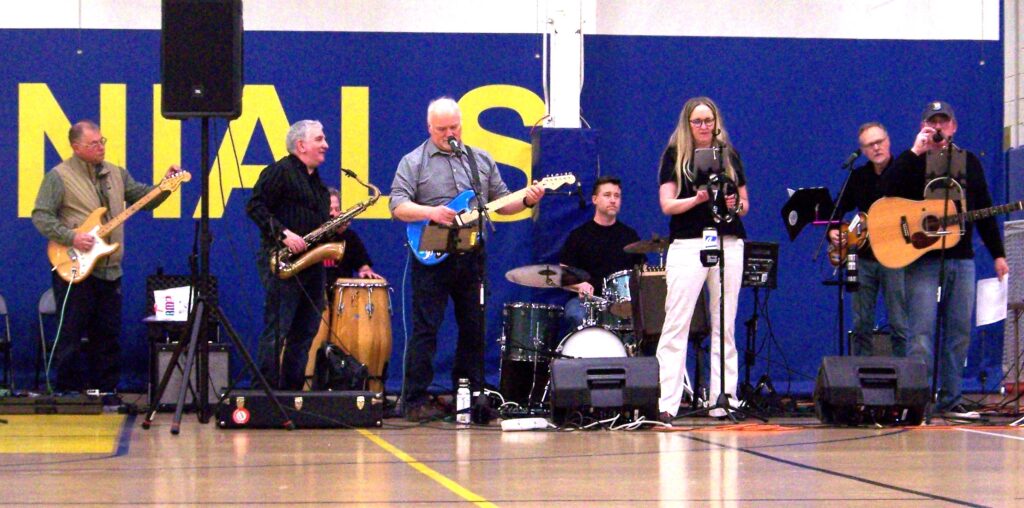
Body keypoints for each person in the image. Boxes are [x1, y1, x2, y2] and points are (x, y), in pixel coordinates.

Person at [390, 97, 545, 422]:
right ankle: (415, 398)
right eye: (442, 129)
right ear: (429, 128)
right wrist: (431, 211)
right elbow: (397, 205)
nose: (450, 134)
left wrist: (527, 200)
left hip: (470, 250)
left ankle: (470, 396)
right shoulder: (414, 161)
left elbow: (501, 204)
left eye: (454, 127)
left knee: (473, 327)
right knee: (425, 328)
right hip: (431, 247)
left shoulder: (479, 160)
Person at [31, 120, 181, 395]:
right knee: (71, 335)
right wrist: (71, 237)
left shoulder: (116, 173)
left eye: (102, 141)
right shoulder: (58, 176)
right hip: (74, 266)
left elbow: (144, 199)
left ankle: (107, 391)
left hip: (110, 269)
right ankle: (69, 393)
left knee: (108, 335)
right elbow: (41, 216)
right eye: (93, 144)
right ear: (76, 147)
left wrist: (166, 185)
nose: (100, 147)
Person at [881, 101, 1009, 419]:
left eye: (944, 122)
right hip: (923, 257)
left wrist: (998, 254)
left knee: (959, 331)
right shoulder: (912, 161)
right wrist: (915, 151)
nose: (939, 127)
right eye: (932, 121)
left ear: (953, 126)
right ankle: (916, 399)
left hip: (961, 257)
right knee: (920, 331)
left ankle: (951, 398)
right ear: (924, 125)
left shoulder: (969, 163)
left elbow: (985, 209)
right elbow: (887, 191)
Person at [656, 97, 750, 422]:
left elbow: (744, 204)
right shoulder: (675, 156)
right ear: (687, 124)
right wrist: (695, 198)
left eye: (708, 120)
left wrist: (733, 201)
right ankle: (667, 401)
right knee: (677, 322)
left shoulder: (729, 155)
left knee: (725, 322)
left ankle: (724, 397)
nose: (704, 127)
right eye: (697, 121)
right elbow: (667, 205)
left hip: (727, 239)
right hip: (689, 240)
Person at [246, 119, 332, 391]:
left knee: (305, 331)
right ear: (301, 145)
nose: (326, 145)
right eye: (319, 139)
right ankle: (265, 393)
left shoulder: (317, 183)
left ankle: (292, 393)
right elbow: (255, 206)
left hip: (311, 263)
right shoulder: (279, 171)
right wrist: (283, 233)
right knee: (278, 330)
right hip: (282, 259)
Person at [829, 122, 909, 357]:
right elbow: (838, 208)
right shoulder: (858, 176)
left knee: (898, 322)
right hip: (863, 257)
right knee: (862, 322)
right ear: (862, 151)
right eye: (869, 145)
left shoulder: (904, 171)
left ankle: (904, 380)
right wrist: (833, 229)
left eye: (879, 142)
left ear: (888, 141)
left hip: (895, 258)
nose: (876, 148)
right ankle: (861, 376)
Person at [559, 176, 645, 330]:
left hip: (622, 303)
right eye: (607, 195)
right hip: (586, 302)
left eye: (616, 196)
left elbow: (642, 271)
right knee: (576, 314)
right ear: (594, 199)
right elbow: (561, 276)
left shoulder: (630, 236)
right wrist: (579, 286)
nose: (613, 200)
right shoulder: (578, 236)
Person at [323, 187, 381, 284]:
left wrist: (366, 271)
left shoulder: (350, 236)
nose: (333, 213)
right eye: (329, 209)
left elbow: (363, 265)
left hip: (342, 294)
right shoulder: (309, 235)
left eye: (337, 209)